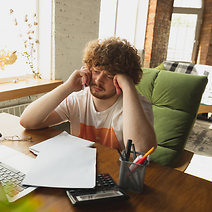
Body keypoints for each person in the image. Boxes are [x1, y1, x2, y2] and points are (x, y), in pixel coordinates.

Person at [20, 37, 157, 153]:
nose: (98, 80)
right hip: (79, 168)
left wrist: (128, 87)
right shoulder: (78, 99)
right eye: (96, 71)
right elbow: (27, 122)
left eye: (109, 76)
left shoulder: (137, 105)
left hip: (115, 175)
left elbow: (141, 150)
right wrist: (67, 87)